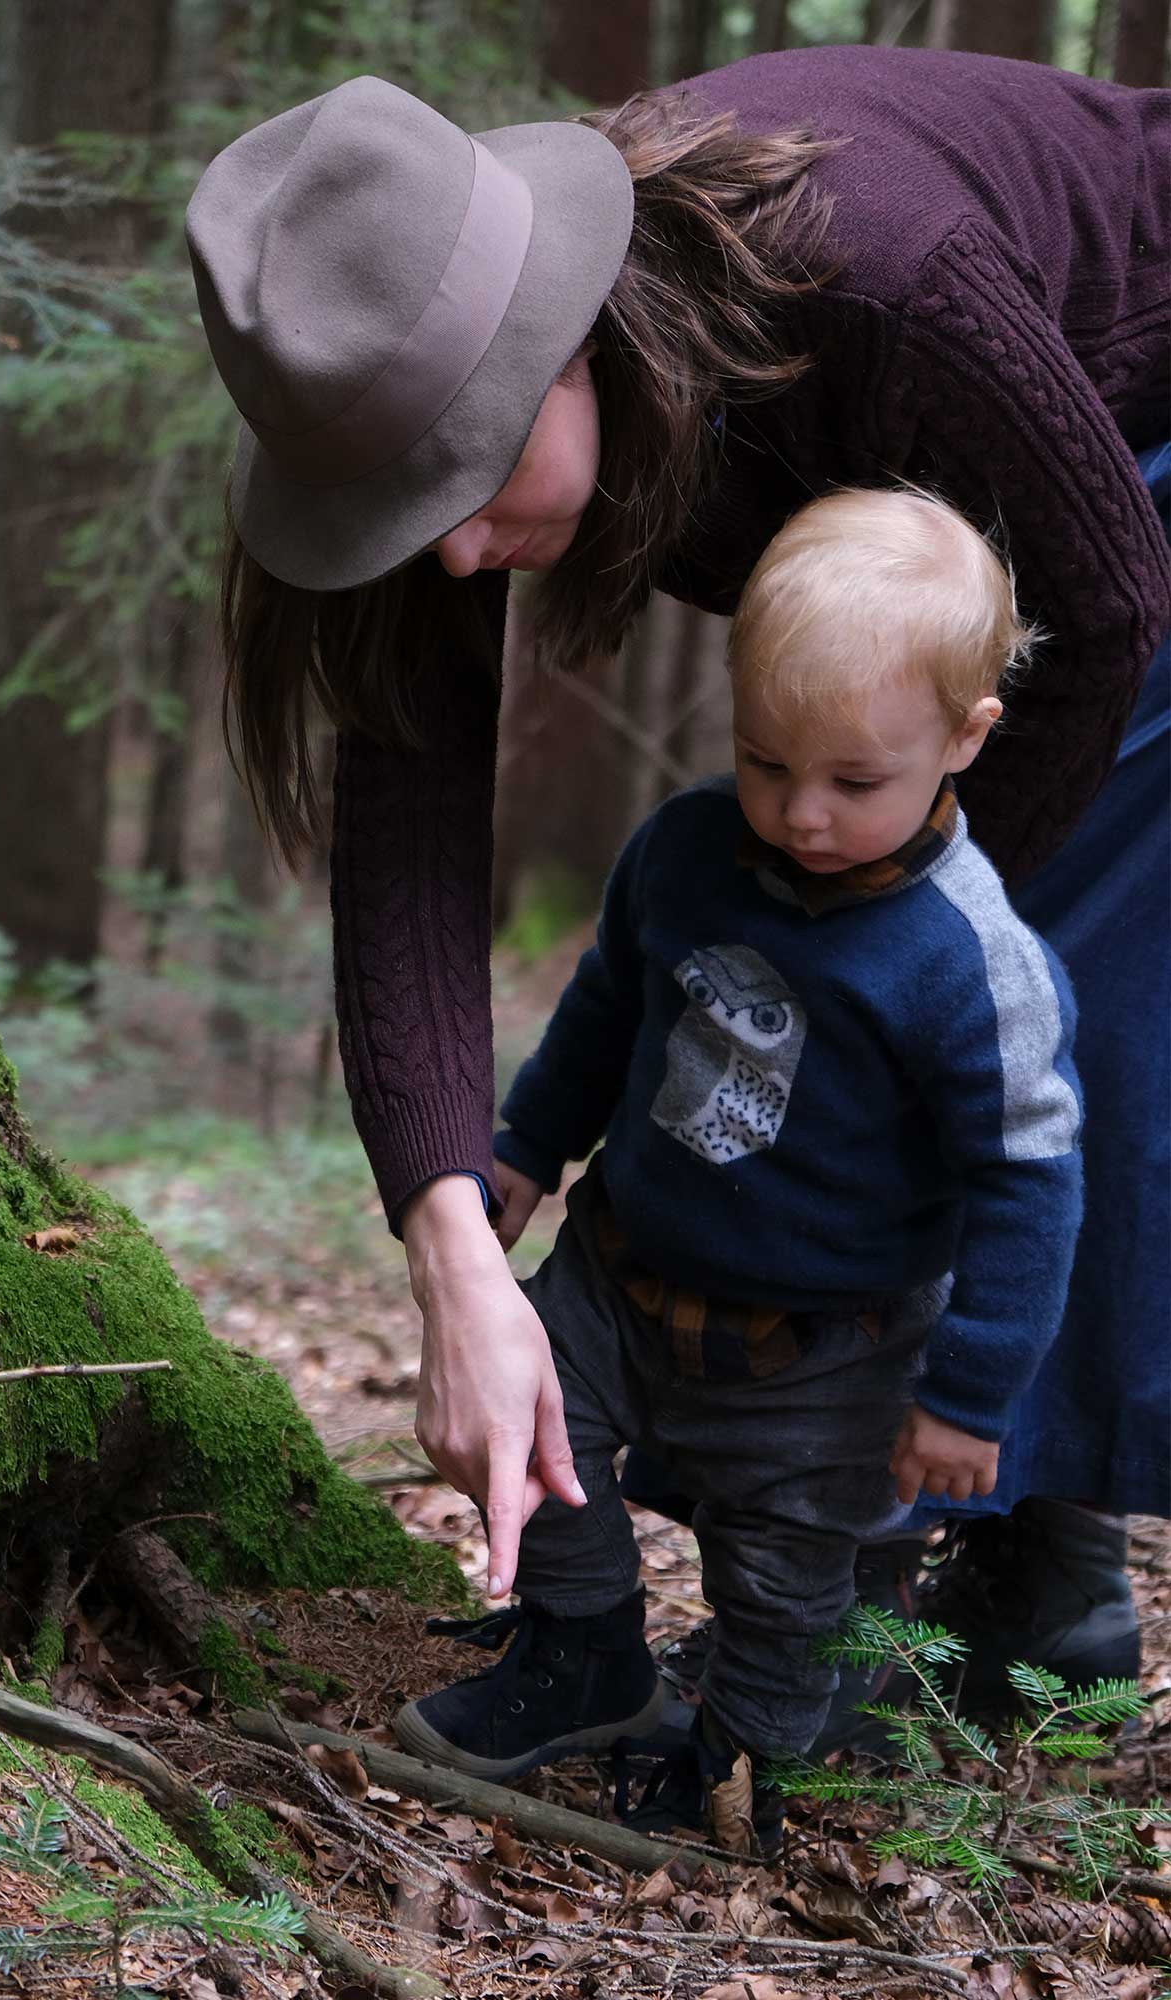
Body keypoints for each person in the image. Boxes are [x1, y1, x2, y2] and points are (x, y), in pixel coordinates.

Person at [186, 47, 1170, 1728]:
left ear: (571, 349)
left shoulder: (880, 282)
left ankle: (967, 1572)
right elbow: (407, 839)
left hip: (1126, 480)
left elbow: (1107, 601)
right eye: (392, 510)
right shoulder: (456, 424)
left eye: (464, 491)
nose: (445, 556)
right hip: (965, 530)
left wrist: (895, 958)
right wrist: (450, 1238)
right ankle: (1010, 1560)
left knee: (1014, 1031)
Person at [384, 485, 1081, 1846]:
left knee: (787, 1575)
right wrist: (527, 1143)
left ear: (964, 738)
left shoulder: (973, 969)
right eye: (768, 761)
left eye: (852, 781)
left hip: (827, 1348)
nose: (800, 813)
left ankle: (741, 1764)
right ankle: (582, 1650)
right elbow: (607, 1006)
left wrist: (970, 1392)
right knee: (528, 1426)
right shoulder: (691, 848)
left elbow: (1028, 1185)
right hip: (619, 1270)